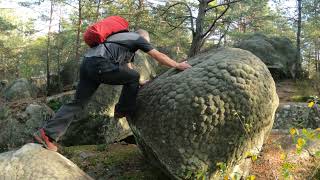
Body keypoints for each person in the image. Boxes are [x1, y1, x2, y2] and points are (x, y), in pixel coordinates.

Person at [33, 29, 191, 151]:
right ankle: (121, 110)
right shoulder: (137, 38)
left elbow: (127, 66)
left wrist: (138, 81)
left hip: (87, 64)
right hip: (100, 65)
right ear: (143, 37)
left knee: (78, 103)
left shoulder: (120, 39)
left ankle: (47, 134)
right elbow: (157, 55)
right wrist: (177, 65)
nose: (144, 45)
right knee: (133, 77)